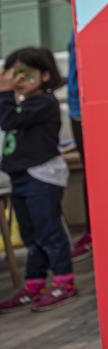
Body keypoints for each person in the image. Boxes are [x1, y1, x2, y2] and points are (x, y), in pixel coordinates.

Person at [0, 47, 77, 312]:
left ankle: (63, 281)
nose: (17, 80)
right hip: (22, 178)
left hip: (42, 177)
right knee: (32, 237)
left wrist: (5, 92)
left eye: (24, 73)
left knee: (49, 233)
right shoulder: (24, 104)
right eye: (12, 74)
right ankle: (34, 284)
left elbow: (7, 120)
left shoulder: (44, 103)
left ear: (44, 76)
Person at [57, 0, 91, 259]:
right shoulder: (77, 19)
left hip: (84, 109)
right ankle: (92, 232)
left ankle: (93, 232)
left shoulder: (89, 15)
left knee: (93, 177)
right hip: (77, 107)